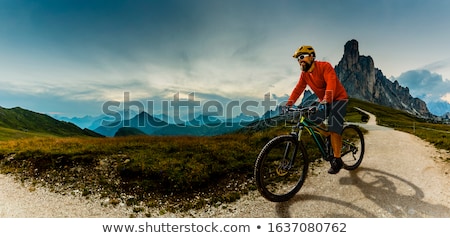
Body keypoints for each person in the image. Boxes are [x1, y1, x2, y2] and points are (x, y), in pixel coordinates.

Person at [286, 45, 348, 174]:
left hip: (338, 99)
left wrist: (326, 99)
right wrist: (288, 104)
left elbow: (331, 83)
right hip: (324, 100)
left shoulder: (325, 66)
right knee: (312, 120)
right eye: (298, 59)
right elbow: (298, 89)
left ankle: (337, 160)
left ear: (312, 57)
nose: (300, 60)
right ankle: (327, 136)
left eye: (302, 57)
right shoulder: (304, 75)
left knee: (334, 127)